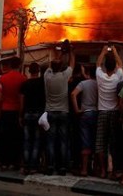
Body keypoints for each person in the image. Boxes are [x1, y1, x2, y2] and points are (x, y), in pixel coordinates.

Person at [43, 42, 75, 175]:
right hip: (63, 112)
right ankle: (62, 167)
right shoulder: (64, 76)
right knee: (63, 140)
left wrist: (60, 53)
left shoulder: (47, 76)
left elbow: (52, 65)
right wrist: (70, 51)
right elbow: (72, 64)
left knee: (50, 140)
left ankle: (50, 166)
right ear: (61, 67)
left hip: (50, 112)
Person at [95, 45, 123, 179]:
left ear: (105, 67)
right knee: (114, 143)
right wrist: (115, 52)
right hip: (114, 113)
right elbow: (121, 64)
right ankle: (113, 170)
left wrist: (103, 51)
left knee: (101, 143)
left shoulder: (100, 76)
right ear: (115, 68)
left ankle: (102, 170)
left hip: (102, 112)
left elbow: (97, 63)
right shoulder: (117, 77)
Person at [0, 56, 26, 169]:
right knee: (16, 137)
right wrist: (21, 115)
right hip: (17, 112)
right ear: (20, 65)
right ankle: (14, 162)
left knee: (4, 137)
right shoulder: (23, 79)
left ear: (10, 65)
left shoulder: (2, 79)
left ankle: (4, 162)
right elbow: (23, 98)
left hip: (5, 111)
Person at [71, 65, 98, 177]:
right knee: (95, 141)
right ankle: (95, 168)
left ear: (88, 73)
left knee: (85, 141)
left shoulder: (83, 83)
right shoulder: (99, 84)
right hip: (96, 113)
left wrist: (77, 109)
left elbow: (73, 94)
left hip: (85, 114)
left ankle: (84, 169)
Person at [19, 62, 45, 175]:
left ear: (29, 71)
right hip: (39, 114)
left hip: (27, 114)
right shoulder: (42, 83)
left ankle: (25, 166)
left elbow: (21, 102)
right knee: (36, 141)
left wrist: (20, 115)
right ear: (38, 71)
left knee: (27, 140)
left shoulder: (25, 84)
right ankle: (34, 166)